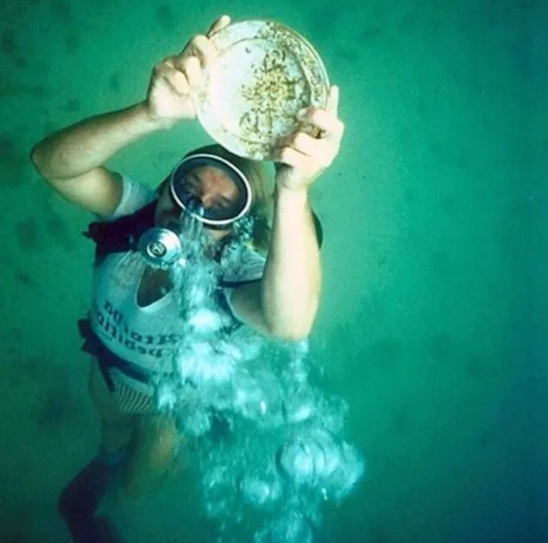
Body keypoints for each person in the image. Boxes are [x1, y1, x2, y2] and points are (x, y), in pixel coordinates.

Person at [30, 14, 345, 543]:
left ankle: (125, 496)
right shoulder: (135, 214)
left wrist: (293, 190)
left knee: (136, 486)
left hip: (169, 407)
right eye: (189, 187)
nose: (195, 211)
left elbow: (288, 322)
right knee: (109, 435)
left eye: (225, 207)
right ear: (166, 184)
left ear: (240, 227)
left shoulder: (231, 277)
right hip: (106, 370)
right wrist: (149, 116)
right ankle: (105, 462)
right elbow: (52, 164)